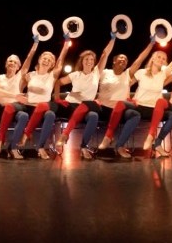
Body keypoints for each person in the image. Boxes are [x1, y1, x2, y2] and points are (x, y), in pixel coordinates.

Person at [53, 32, 116, 160]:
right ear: (82, 61)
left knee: (93, 115)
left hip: (88, 107)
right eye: (86, 59)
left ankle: (82, 145)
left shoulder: (96, 73)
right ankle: (66, 135)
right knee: (88, 107)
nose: (89, 61)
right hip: (71, 105)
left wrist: (113, 39)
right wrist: (57, 98)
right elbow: (58, 82)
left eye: (91, 59)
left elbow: (105, 54)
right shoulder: (76, 74)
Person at [131, 35, 172, 158]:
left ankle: (156, 141)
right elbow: (126, 84)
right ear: (152, 59)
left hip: (156, 107)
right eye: (158, 57)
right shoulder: (141, 73)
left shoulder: (163, 73)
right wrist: (129, 98)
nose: (161, 59)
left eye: (164, 58)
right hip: (140, 106)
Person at [96, 36, 154, 159]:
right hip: (105, 109)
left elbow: (140, 59)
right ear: (114, 61)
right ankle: (108, 137)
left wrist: (151, 43)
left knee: (135, 114)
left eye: (126, 59)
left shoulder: (127, 74)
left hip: (122, 110)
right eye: (121, 58)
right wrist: (112, 39)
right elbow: (104, 55)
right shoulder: (104, 72)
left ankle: (119, 144)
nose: (123, 60)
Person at [18, 35, 71, 160]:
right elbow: (27, 61)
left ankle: (40, 146)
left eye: (49, 59)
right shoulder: (30, 75)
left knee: (51, 115)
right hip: (29, 107)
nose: (46, 60)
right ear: (39, 60)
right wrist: (35, 44)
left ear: (52, 64)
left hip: (44, 108)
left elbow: (61, 60)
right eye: (44, 58)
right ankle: (21, 140)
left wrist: (66, 44)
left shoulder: (52, 75)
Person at [0, 43, 36, 159]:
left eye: (15, 62)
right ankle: (0, 140)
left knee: (24, 116)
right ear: (6, 64)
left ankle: (13, 147)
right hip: (0, 109)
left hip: (15, 108)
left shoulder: (20, 77)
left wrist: (35, 43)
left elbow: (29, 58)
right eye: (10, 61)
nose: (12, 63)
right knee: (12, 109)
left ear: (19, 66)